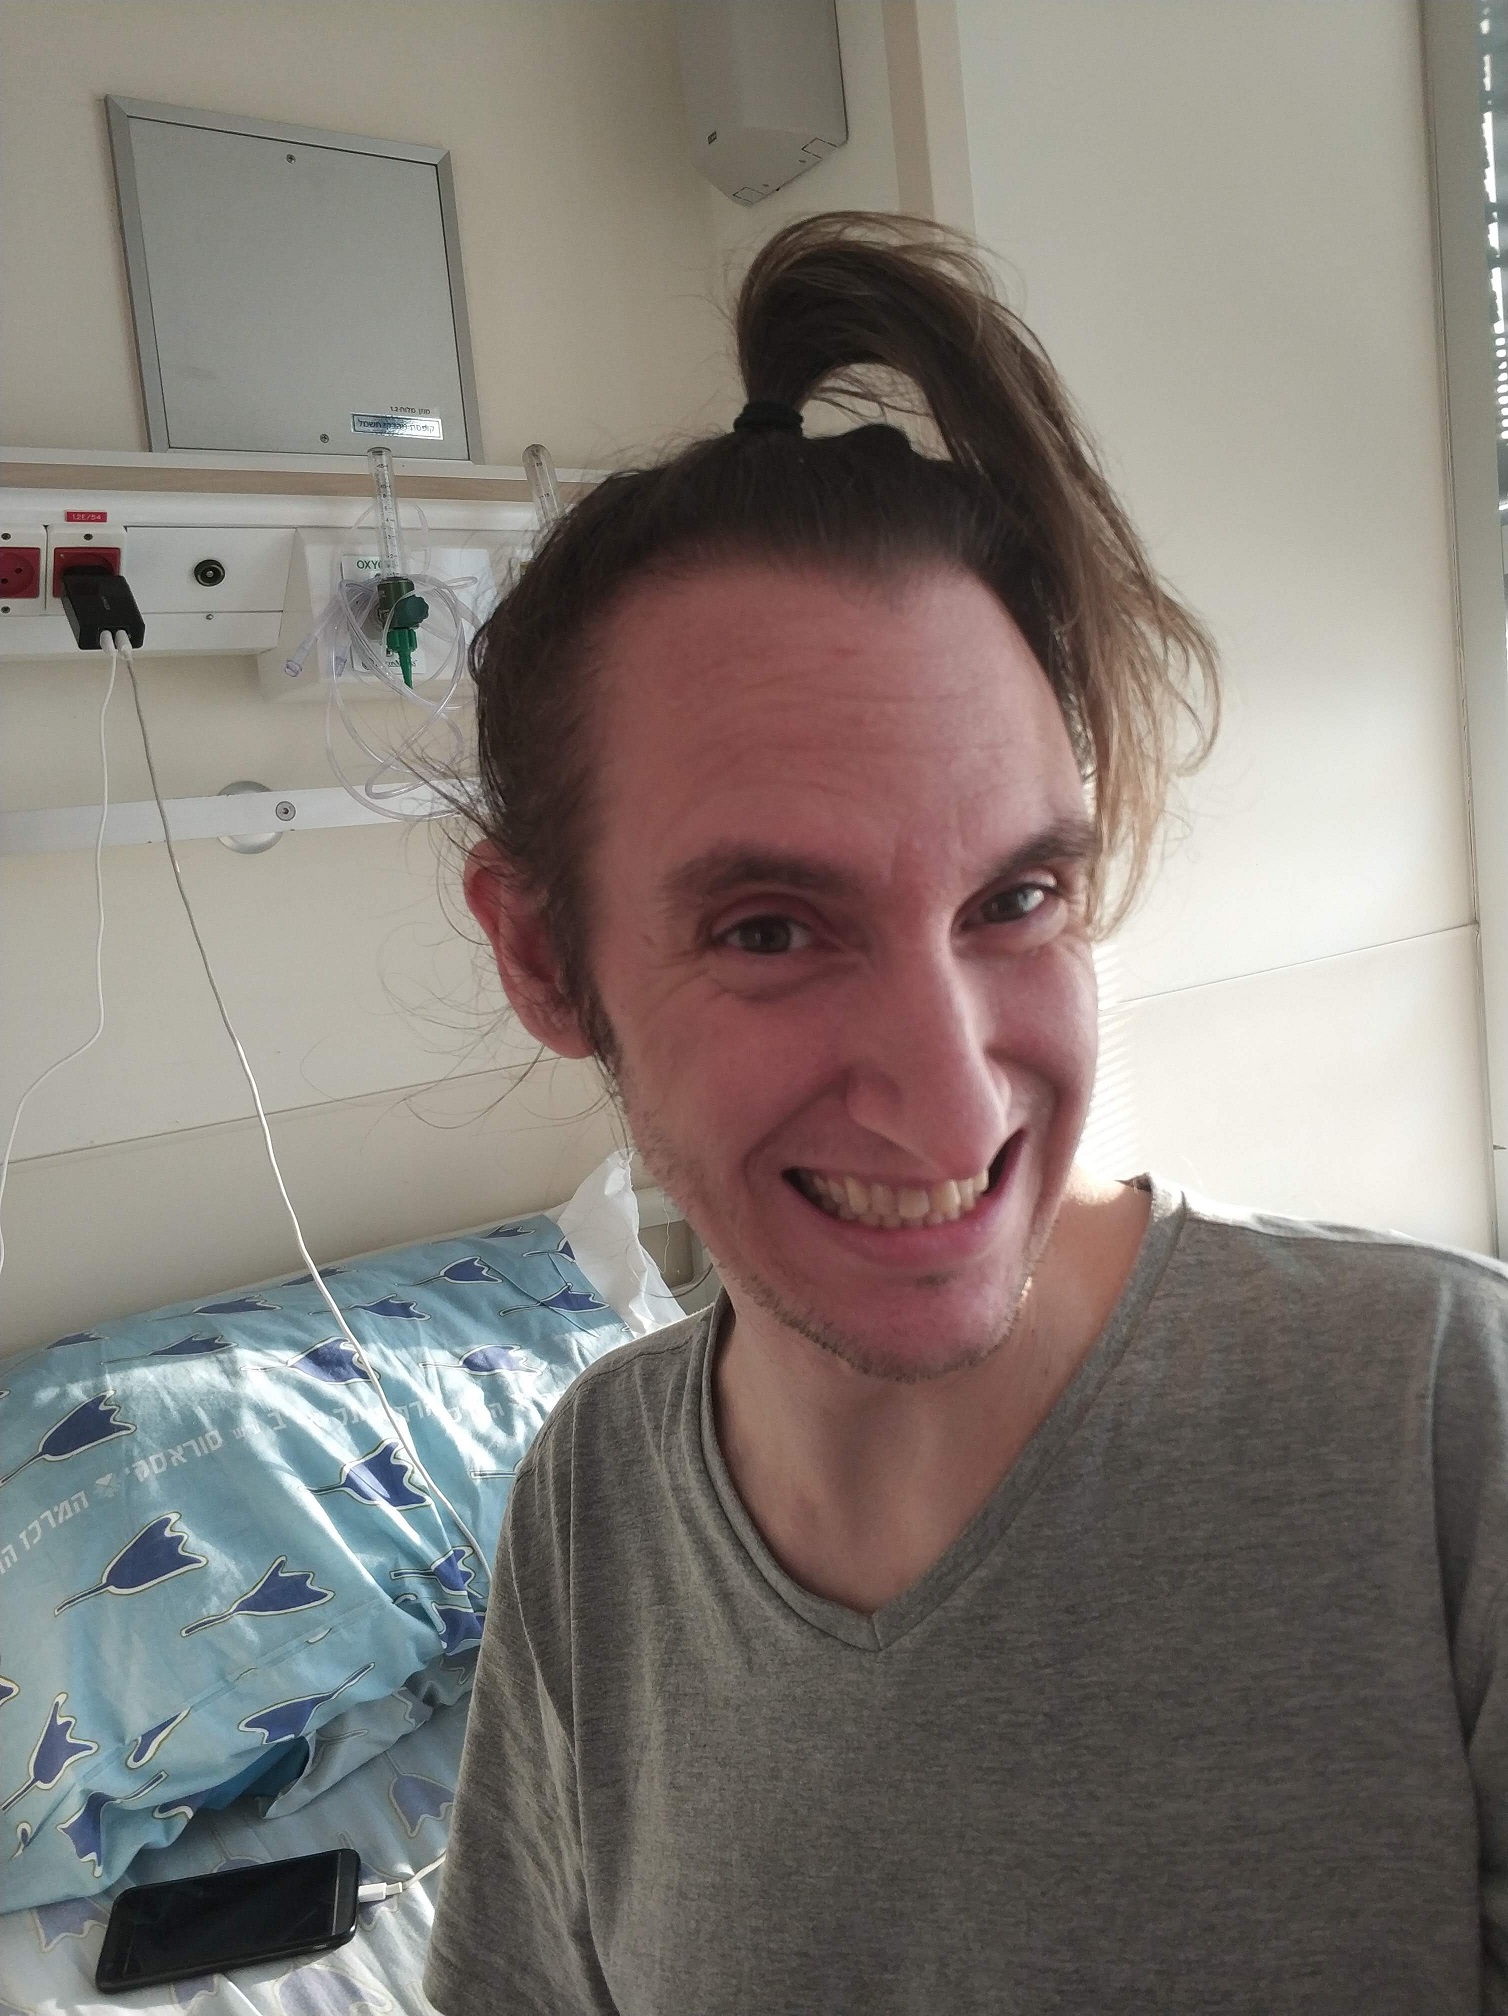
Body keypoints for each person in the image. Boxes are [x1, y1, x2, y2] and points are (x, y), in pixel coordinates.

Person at [423, 213, 1508, 2014]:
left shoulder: (1438, 1432)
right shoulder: (592, 1516)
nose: (949, 1104)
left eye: (1015, 900)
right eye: (772, 930)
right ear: (544, 955)